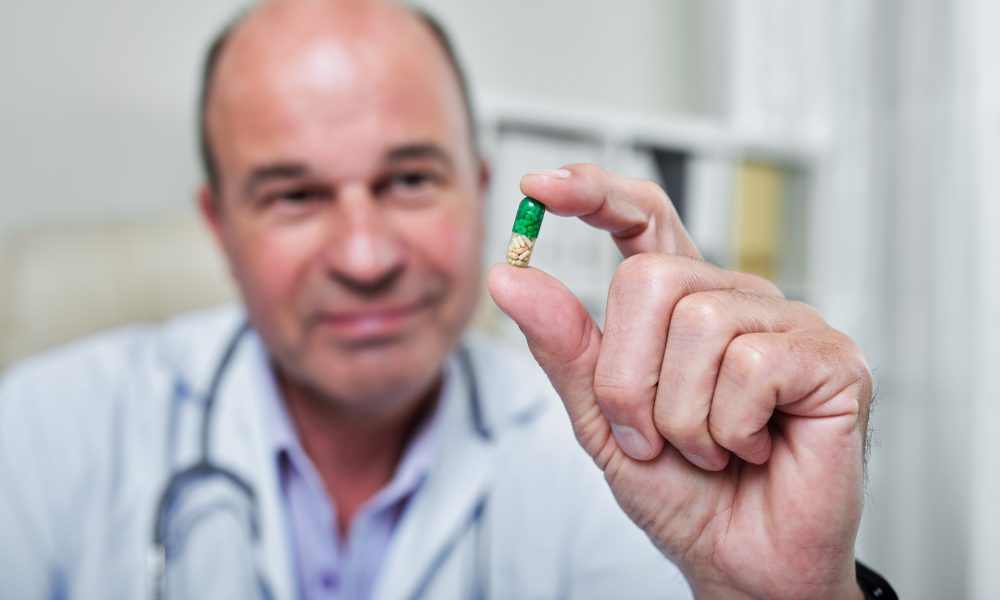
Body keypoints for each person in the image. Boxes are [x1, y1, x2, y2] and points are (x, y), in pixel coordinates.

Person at [0, 0, 893, 598]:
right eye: (294, 196)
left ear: (477, 190)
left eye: (411, 179)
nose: (364, 255)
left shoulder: (626, 455)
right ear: (220, 226)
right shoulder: (41, 432)